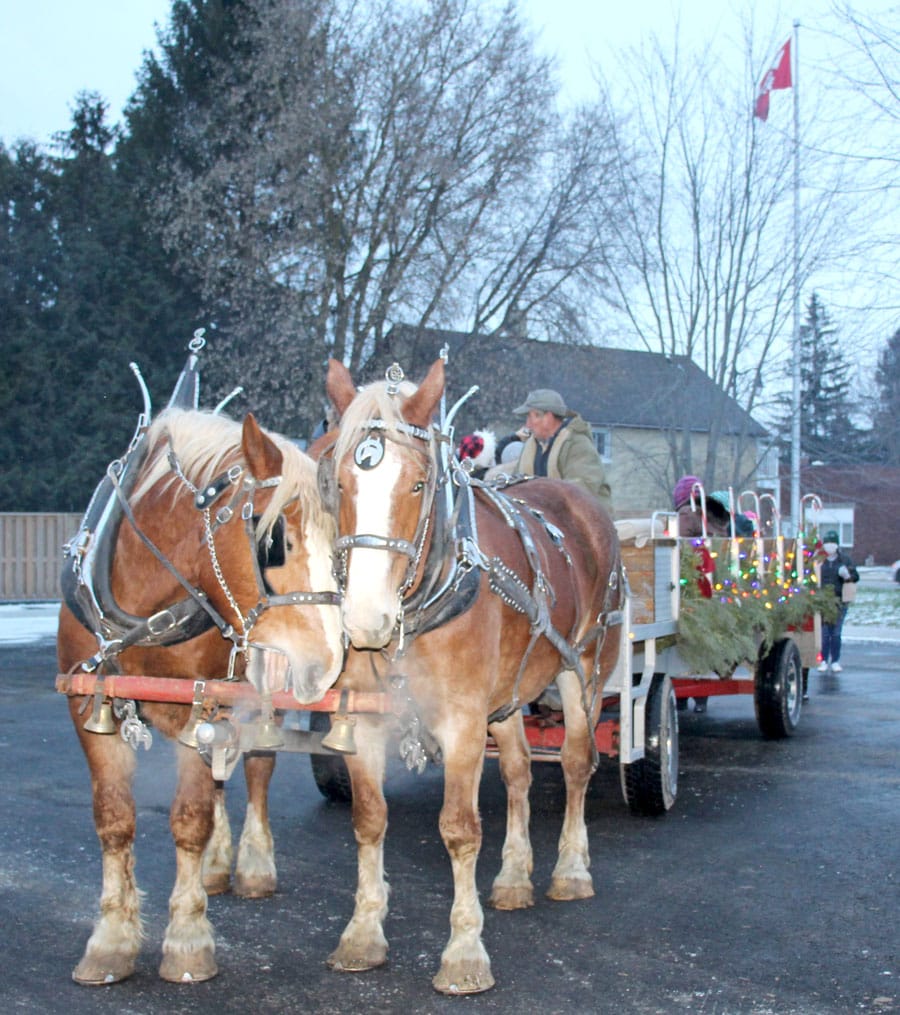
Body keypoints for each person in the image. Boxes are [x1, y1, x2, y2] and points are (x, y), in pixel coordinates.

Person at [510, 389, 612, 512]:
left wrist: (538, 493)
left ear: (548, 417)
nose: (528, 425)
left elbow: (582, 488)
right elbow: (514, 483)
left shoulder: (577, 444)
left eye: (531, 417)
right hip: (544, 521)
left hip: (584, 523)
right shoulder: (531, 446)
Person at [817, 529, 859, 675]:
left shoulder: (845, 560)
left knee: (835, 633)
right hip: (822, 602)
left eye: (832, 543)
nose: (830, 546)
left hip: (839, 601)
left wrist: (847, 574)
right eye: (827, 543)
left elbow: (855, 576)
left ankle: (835, 660)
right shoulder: (818, 560)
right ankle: (823, 660)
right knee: (824, 633)